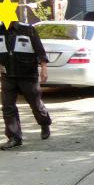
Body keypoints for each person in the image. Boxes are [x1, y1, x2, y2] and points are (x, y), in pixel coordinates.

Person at [0, 21, 51, 150]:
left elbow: (40, 50)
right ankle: (14, 137)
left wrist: (44, 68)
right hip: (7, 75)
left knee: (36, 104)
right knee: (7, 107)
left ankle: (44, 123)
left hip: (28, 75)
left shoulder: (28, 30)